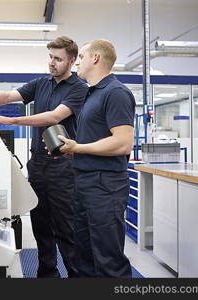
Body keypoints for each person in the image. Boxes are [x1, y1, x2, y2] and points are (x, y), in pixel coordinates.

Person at [0, 36, 88, 278]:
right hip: (38, 165)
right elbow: (9, 96)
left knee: (65, 229)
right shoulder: (41, 83)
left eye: (58, 59)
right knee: (41, 227)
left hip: (63, 167)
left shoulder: (78, 88)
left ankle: (77, 277)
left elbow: (53, 117)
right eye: (50, 57)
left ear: (71, 61)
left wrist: (14, 120)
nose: (52, 63)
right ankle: (47, 275)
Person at [58, 39, 135, 277]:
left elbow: (123, 142)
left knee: (107, 259)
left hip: (105, 186)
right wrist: (74, 149)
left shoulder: (116, 93)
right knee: (84, 256)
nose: (77, 62)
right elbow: (96, 139)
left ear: (96, 58)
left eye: (81, 57)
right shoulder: (91, 95)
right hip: (84, 182)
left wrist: (79, 147)